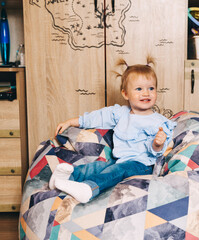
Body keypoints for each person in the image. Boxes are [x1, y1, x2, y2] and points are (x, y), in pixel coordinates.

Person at [49, 56, 176, 203]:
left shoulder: (159, 122)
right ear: (125, 94)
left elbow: (157, 151)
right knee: (96, 167)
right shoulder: (120, 113)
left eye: (151, 88)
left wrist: (158, 144)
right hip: (119, 159)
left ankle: (88, 189)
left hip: (141, 165)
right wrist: (71, 122)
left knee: (115, 172)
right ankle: (63, 179)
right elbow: (97, 117)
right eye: (139, 89)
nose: (146, 93)